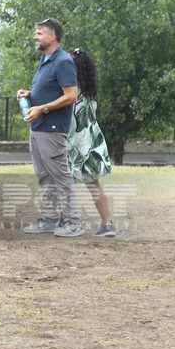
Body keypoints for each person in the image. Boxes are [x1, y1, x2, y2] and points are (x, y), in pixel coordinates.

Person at [18, 18, 83, 237]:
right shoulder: (46, 60)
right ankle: (49, 220)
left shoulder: (63, 61)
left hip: (52, 128)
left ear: (52, 35)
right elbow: (50, 89)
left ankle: (73, 222)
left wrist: (42, 108)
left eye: (39, 33)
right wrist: (29, 95)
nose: (35, 37)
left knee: (60, 176)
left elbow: (71, 96)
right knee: (44, 175)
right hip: (38, 127)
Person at [68, 48, 115, 237]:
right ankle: (107, 223)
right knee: (94, 185)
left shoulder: (70, 91)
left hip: (73, 141)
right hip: (91, 141)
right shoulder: (91, 91)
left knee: (63, 184)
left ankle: (68, 223)